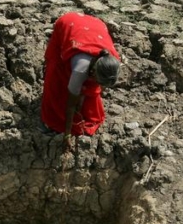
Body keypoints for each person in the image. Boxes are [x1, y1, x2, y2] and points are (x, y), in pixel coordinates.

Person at [39, 12, 122, 151]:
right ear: (93, 73)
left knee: (87, 93)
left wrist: (83, 98)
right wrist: (66, 135)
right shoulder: (80, 69)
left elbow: (96, 86)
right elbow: (70, 106)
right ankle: (49, 118)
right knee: (56, 79)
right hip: (68, 24)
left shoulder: (112, 62)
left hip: (94, 27)